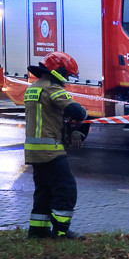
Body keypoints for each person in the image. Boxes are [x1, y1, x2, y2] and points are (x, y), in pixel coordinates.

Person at [24, 51, 88, 239]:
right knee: (66, 188)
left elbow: (48, 118)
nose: (67, 78)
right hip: (50, 151)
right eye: (67, 74)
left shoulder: (33, 87)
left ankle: (37, 230)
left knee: (43, 191)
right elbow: (77, 112)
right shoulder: (52, 89)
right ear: (58, 70)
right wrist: (82, 113)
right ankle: (61, 231)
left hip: (34, 152)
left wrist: (69, 129)